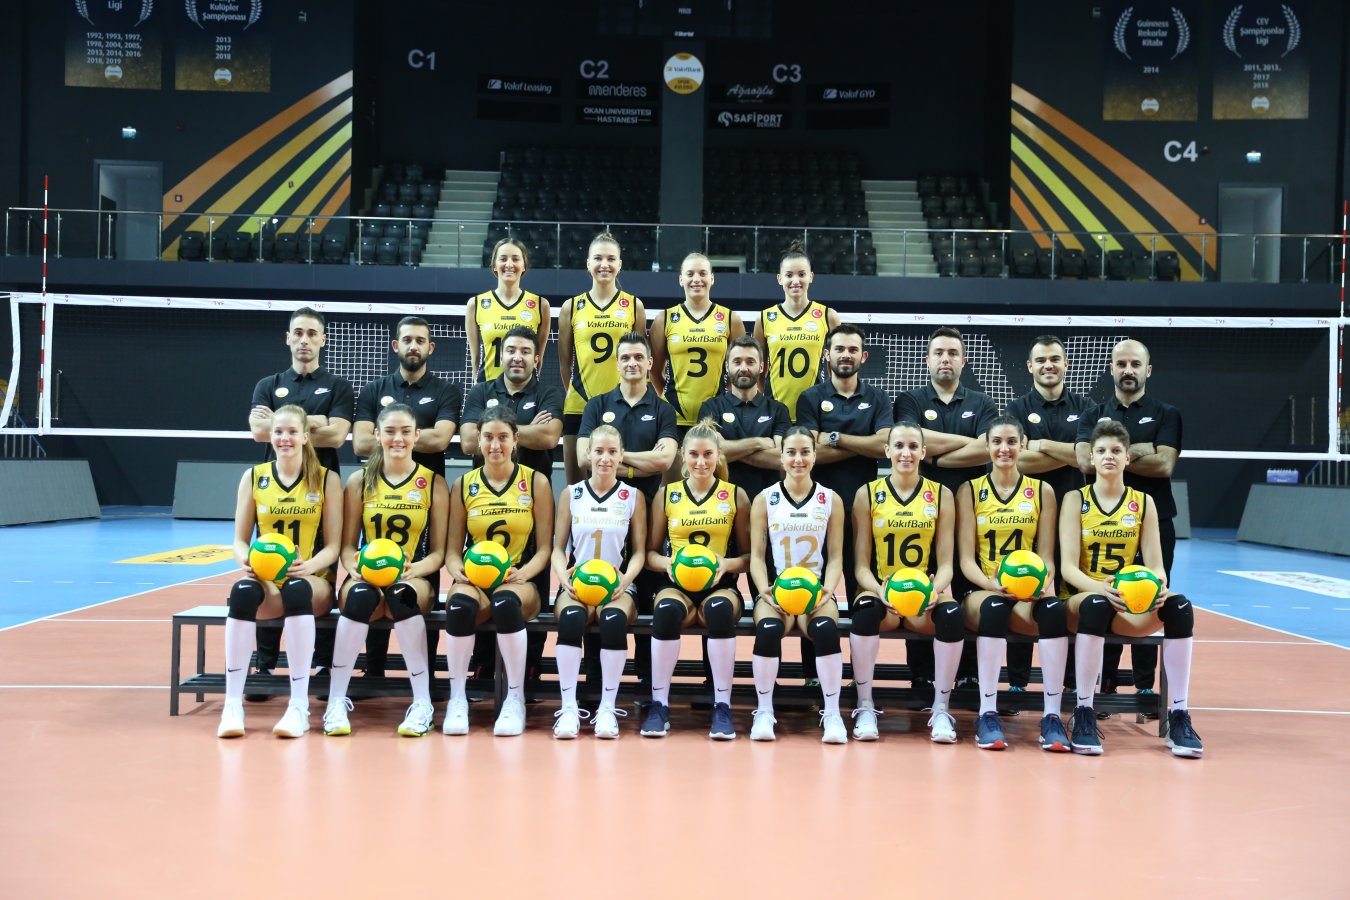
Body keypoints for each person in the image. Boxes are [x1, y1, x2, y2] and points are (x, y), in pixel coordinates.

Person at [1061, 420, 1203, 758]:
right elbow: (1067, 567)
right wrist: (1100, 588)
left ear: (1127, 458)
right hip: (1083, 599)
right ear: (1091, 458)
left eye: (1116, 451)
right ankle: (1084, 711)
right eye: (1101, 451)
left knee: (1180, 606)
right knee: (1096, 605)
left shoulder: (1143, 501)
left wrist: (1159, 584)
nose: (1108, 456)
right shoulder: (1075, 499)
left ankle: (1179, 715)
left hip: (1128, 602)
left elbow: (1156, 564)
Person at [321, 403, 449, 737]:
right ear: (377, 435)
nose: (398, 439)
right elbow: (347, 546)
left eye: (405, 432)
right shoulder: (359, 480)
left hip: (413, 577)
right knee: (360, 598)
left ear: (417, 435)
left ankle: (422, 703)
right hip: (368, 574)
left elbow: (439, 552)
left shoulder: (432, 483)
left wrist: (414, 568)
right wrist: (354, 566)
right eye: (390, 431)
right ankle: (336, 701)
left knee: (401, 596)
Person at [218, 405, 342, 738]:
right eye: (278, 432)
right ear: (270, 436)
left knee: (296, 590)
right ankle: (232, 705)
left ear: (305, 436)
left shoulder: (327, 479)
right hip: (267, 580)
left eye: (291, 432)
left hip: (313, 580)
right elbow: (239, 540)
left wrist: (307, 566)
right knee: (242, 592)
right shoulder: (254, 477)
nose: (285, 438)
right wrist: (246, 560)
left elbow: (334, 547)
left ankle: (298, 706)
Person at [246, 307, 352, 685]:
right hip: (274, 488)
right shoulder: (268, 383)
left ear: (323, 340)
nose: (304, 340)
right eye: (298, 333)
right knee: (268, 566)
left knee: (319, 569)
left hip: (320, 487)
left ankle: (322, 662)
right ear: (288, 338)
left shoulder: (338, 386)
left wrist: (283, 420)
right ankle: (265, 662)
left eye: (311, 333)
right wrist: (316, 420)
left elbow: (337, 436)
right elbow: (258, 432)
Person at [1074, 339, 1182, 711]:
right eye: (1121, 364)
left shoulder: (1166, 413)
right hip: (1102, 520)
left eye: (1135, 364)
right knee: (1108, 594)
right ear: (1112, 369)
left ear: (1147, 370)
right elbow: (1085, 462)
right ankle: (1103, 684)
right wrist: (1143, 448)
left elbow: (1165, 464)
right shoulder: (1093, 413)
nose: (1128, 370)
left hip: (1154, 518)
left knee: (1148, 595)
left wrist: (1117, 453)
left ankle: (1144, 686)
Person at [353, 316, 461, 675]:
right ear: (396, 345)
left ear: (431, 347)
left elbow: (441, 440)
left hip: (426, 490)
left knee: (420, 578)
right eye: (407, 339)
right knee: (374, 563)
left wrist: (392, 437)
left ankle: (425, 671)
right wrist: (409, 438)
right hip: (379, 487)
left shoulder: (446, 391)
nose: (414, 345)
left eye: (420, 340)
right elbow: (359, 443)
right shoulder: (373, 390)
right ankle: (374, 667)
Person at [955, 415, 1067, 752]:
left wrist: (1042, 583)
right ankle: (987, 712)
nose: (1004, 448)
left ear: (1023, 445)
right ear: (987, 446)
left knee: (1054, 609)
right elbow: (966, 560)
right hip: (983, 589)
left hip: (1027, 591)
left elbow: (1047, 557)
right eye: (997, 442)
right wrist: (991, 584)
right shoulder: (970, 490)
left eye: (1011, 442)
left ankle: (1052, 716)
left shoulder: (1042, 491)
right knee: (994, 609)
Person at [894, 326, 997, 690]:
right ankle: (922, 674)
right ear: (927, 360)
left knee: (968, 588)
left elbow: (987, 448)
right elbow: (913, 441)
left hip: (972, 509)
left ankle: (968, 672)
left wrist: (935, 458)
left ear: (963, 360)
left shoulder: (982, 403)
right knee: (919, 584)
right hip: (922, 510)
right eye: (939, 353)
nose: (945, 359)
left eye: (953, 353)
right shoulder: (910, 400)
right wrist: (967, 442)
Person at [577, 331, 679, 697]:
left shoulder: (663, 409)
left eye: (639, 357)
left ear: (650, 363)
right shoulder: (597, 404)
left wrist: (613, 458)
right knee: (594, 583)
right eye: (625, 357)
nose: (632, 363)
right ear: (617, 363)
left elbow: (665, 460)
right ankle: (594, 678)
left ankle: (647, 677)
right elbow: (584, 457)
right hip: (600, 510)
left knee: (647, 587)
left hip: (648, 508)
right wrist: (639, 462)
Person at [442, 407, 555, 736]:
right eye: (488, 437)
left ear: (515, 440)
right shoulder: (464, 484)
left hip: (519, 580)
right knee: (459, 606)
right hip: (475, 580)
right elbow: (452, 550)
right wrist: (457, 569)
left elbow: (545, 548)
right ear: (478, 440)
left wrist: (525, 572)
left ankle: (515, 698)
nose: (495, 445)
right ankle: (457, 698)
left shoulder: (536, 482)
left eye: (503, 437)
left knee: (506, 603)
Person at [850, 421, 960, 743]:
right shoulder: (867, 493)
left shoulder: (941, 494)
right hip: (881, 593)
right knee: (864, 613)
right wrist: (879, 590)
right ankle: (865, 705)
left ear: (924, 452)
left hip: (923, 599)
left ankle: (941, 708)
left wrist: (934, 591)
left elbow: (946, 563)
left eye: (913, 447)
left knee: (953, 615)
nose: (906, 453)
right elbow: (860, 565)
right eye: (898, 446)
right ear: (887, 451)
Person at [641, 421, 751, 739]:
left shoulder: (736, 495)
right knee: (665, 611)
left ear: (718, 455)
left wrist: (725, 564)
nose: (700, 462)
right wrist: (669, 564)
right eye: (693, 455)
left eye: (707, 455)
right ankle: (659, 705)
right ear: (683, 456)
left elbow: (749, 558)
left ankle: (722, 705)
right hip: (677, 585)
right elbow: (649, 554)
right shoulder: (667, 494)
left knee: (719, 610)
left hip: (720, 586)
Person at [746, 426, 848, 743]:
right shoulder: (765, 499)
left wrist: (828, 590)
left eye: (805, 452)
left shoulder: (830, 499)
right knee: (768, 630)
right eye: (791, 452)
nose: (798, 459)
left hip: (815, 591)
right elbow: (757, 556)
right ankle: (764, 711)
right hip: (776, 591)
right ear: (781, 457)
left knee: (826, 629)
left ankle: (832, 713)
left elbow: (835, 556)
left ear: (815, 456)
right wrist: (763, 590)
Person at [1004, 335, 1092, 694]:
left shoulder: (1086, 406)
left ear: (1066, 363)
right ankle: (1017, 684)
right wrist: (1069, 452)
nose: (1048, 365)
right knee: (1024, 592)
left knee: (1072, 599)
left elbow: (1087, 459)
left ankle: (1073, 684)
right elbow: (1019, 460)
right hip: (1028, 515)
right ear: (1030, 366)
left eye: (1054, 358)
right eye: (1040, 360)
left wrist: (1043, 445)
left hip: (1076, 518)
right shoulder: (1016, 408)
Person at [549, 424, 647, 738]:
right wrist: (562, 575)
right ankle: (568, 708)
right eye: (599, 451)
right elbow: (557, 549)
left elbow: (639, 552)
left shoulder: (632, 496)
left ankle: (607, 707)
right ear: (588, 454)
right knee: (571, 618)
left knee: (614, 620)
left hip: (616, 584)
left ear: (621, 456)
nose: (605, 458)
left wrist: (626, 580)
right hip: (578, 582)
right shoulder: (572, 493)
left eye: (612, 452)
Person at [795, 323, 892, 605]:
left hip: (862, 507)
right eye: (839, 349)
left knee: (860, 589)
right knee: (812, 593)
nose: (846, 354)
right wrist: (864, 444)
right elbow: (810, 453)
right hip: (817, 508)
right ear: (827, 354)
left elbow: (884, 447)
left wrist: (836, 438)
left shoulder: (878, 398)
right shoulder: (810, 397)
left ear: (863, 356)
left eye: (852, 349)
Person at [557, 231, 647, 484]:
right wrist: (575, 393)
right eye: (598, 258)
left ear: (620, 264)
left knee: (621, 482)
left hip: (622, 404)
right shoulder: (571, 307)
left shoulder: (634, 306)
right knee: (576, 486)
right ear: (588, 264)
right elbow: (564, 362)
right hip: (579, 404)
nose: (604, 264)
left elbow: (638, 359)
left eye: (611, 259)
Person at [649, 252, 746, 450]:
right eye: (690, 274)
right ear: (681, 279)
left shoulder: (730, 319)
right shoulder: (664, 319)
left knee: (713, 469)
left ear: (712, 278)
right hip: (674, 416)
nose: (696, 279)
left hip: (716, 416)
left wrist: (723, 398)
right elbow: (654, 370)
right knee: (674, 470)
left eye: (702, 273)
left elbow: (738, 370)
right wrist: (669, 399)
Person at [696, 334, 791, 508]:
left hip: (768, 504)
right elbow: (709, 454)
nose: (744, 368)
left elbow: (782, 459)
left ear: (761, 367)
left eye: (750, 362)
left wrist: (729, 451)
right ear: (727, 366)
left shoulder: (778, 410)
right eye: (737, 361)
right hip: (720, 503)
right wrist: (758, 443)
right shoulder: (711, 407)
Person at [753, 241, 841, 422]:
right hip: (774, 409)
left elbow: (834, 366)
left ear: (811, 277)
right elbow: (759, 369)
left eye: (801, 274)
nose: (795, 281)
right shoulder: (764, 318)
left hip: (814, 408)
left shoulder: (828, 315)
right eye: (789, 275)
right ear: (779, 278)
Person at [461, 324, 563, 476]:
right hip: (485, 485)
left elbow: (548, 437)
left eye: (525, 352)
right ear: (501, 357)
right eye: (511, 351)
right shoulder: (480, 391)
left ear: (536, 360)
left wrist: (489, 434)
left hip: (532, 485)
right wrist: (529, 430)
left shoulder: (549, 394)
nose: (517, 357)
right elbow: (468, 442)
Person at [466, 237, 551, 384]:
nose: (509, 264)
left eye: (516, 259)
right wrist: (478, 388)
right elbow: (475, 360)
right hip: (488, 387)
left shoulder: (540, 305)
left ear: (524, 266)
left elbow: (538, 359)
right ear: (494, 265)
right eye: (503, 259)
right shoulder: (476, 304)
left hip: (525, 390)